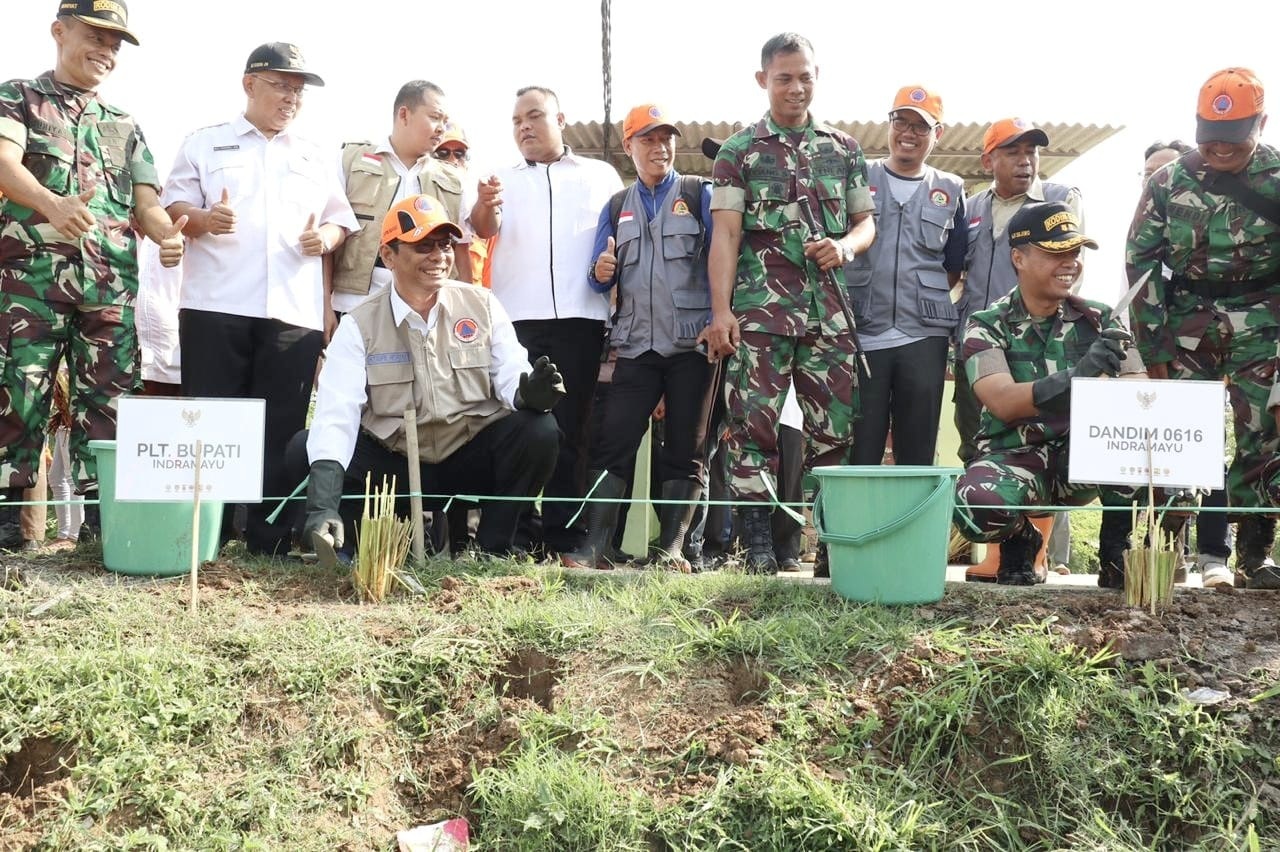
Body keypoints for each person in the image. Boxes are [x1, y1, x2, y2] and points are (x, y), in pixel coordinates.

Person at [162, 42, 357, 556]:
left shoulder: (315, 154)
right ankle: (207, 536)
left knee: (281, 427)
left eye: (298, 90)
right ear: (249, 84)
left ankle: (269, 541)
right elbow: (173, 202)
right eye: (280, 85)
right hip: (215, 305)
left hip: (291, 311)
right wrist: (204, 220)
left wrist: (328, 240)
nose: (291, 97)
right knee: (209, 425)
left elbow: (340, 219)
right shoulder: (207, 143)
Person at [300, 195, 562, 562]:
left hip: (466, 453)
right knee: (308, 445)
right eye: (423, 246)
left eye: (444, 245)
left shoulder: (482, 304)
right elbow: (336, 415)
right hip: (395, 463)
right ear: (388, 256)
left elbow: (509, 375)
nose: (439, 256)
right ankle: (341, 541)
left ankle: (493, 549)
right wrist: (321, 505)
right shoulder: (359, 324)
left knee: (539, 430)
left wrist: (527, 393)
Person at [697, 32, 874, 575]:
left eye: (805, 77)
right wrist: (721, 312)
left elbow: (866, 223)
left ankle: (829, 549)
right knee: (752, 428)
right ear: (763, 80)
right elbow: (725, 236)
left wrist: (844, 246)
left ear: (816, 78)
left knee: (835, 432)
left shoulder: (844, 149)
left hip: (829, 317)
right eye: (784, 78)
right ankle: (757, 547)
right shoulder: (738, 151)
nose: (796, 88)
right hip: (759, 315)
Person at [0, 1, 186, 517]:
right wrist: (50, 204)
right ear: (59, 31)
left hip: (110, 289)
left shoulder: (124, 124)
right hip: (29, 287)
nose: (106, 51)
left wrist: (167, 234)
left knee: (110, 404)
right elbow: (3, 163)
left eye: (115, 44)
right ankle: (12, 528)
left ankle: (105, 523)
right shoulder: (19, 98)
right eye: (96, 37)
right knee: (20, 398)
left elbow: (146, 202)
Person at [1127, 67, 1280, 590]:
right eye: (1208, 138)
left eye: (1232, 139)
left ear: (1261, 123)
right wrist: (1153, 346)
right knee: (1178, 438)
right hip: (1186, 323)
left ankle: (1254, 557)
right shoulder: (1167, 182)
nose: (1218, 149)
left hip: (1264, 323)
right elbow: (1140, 262)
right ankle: (1168, 556)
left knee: (1266, 436)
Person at [559, 103, 714, 571]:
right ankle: (596, 546)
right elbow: (597, 276)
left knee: (686, 448)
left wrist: (721, 316)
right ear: (629, 147)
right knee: (613, 443)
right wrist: (600, 270)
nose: (658, 146)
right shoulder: (615, 206)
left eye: (665, 137)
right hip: (635, 346)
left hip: (692, 344)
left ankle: (670, 551)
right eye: (647, 138)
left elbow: (725, 257)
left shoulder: (698, 193)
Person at [955, 201, 1144, 585]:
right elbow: (1004, 402)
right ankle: (1020, 540)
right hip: (1017, 458)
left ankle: (1115, 548)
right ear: (1019, 258)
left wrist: (1114, 382)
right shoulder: (986, 325)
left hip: (1088, 459)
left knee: (1157, 465)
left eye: (1074, 253)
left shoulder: (1102, 319)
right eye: (1056, 253)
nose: (1070, 262)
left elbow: (1137, 396)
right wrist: (1081, 375)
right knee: (972, 502)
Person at [469, 86, 623, 555]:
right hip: (516, 321)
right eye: (516, 121)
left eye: (534, 116)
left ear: (561, 118)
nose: (524, 127)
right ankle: (517, 532)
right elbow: (480, 229)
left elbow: (622, 239)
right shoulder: (498, 179)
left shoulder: (601, 175)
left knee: (572, 429)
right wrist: (484, 205)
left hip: (581, 319)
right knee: (520, 423)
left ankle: (564, 535)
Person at [1098, 136, 1233, 588]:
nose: (1156, 178)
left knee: (1200, 449)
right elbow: (1129, 302)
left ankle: (1212, 555)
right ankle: (1122, 559)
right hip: (1141, 350)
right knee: (1132, 450)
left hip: (1199, 353)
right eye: (1149, 170)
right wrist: (1139, 361)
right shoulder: (1140, 229)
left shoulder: (1204, 233)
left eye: (1167, 169)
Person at [846, 85, 967, 467]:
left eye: (921, 126)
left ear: (938, 134)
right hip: (866, 331)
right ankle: (860, 527)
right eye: (902, 122)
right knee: (862, 446)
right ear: (889, 124)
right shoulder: (858, 177)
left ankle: (911, 526)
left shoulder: (950, 189)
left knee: (916, 450)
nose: (909, 134)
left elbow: (954, 266)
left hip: (924, 337)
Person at [956, 118, 1082, 462]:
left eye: (1032, 151)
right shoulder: (970, 207)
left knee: (1048, 448)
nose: (1025, 160)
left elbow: (1071, 274)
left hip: (1037, 349)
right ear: (988, 161)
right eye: (1012, 152)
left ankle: (1047, 518)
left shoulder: (1060, 201)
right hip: (978, 348)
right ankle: (978, 513)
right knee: (973, 443)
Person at [331, 81, 471, 316]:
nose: (441, 129)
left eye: (445, 122)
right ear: (404, 114)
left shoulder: (454, 179)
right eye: (435, 117)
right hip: (354, 304)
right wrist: (325, 306)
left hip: (427, 307)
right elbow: (332, 232)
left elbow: (462, 249)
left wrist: (465, 309)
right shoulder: (350, 160)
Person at [432, 123, 493, 286]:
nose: (453, 160)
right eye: (443, 153)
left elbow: (462, 247)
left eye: (459, 153)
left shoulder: (481, 194)